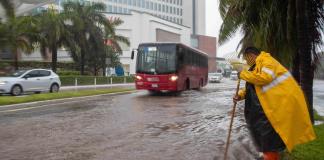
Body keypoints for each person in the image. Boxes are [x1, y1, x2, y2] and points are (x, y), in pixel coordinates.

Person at [233, 47, 316, 160]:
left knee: (269, 143)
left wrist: (243, 74)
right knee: (265, 142)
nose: (246, 62)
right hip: (263, 111)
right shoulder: (256, 66)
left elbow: (264, 78)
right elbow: (253, 87)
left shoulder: (267, 61)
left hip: (273, 110)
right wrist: (240, 95)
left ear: (251, 55)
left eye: (246, 58)